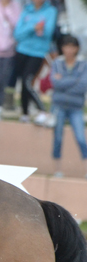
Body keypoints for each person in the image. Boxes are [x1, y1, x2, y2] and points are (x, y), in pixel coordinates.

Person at [13, 0, 57, 123]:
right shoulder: (27, 10)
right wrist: (33, 27)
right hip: (22, 50)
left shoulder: (50, 11)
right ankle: (25, 113)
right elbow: (18, 34)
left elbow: (47, 32)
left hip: (37, 52)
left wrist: (31, 29)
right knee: (23, 82)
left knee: (28, 80)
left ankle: (42, 109)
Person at [49, 35, 87, 178]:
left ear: (76, 48)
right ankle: (57, 170)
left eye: (72, 47)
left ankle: (85, 169)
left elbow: (83, 85)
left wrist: (64, 81)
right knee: (58, 138)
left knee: (81, 138)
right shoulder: (57, 63)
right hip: (59, 106)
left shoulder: (83, 64)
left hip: (76, 107)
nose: (69, 50)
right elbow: (55, 83)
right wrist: (73, 80)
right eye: (66, 46)